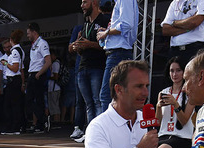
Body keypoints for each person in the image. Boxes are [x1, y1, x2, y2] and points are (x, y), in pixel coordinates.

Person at [71, 0, 110, 133]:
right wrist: (78, 46)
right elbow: (82, 46)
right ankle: (92, 133)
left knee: (97, 101)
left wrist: (89, 44)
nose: (82, 6)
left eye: (84, 2)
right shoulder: (85, 24)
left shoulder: (104, 20)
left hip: (97, 67)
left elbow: (108, 45)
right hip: (82, 67)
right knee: (88, 104)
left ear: (94, 3)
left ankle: (101, 133)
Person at [97, 0, 139, 113]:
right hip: (118, 52)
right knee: (117, 95)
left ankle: (108, 129)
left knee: (107, 95)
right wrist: (107, 32)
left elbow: (126, 25)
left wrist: (106, 33)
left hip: (118, 53)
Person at [161, 0, 204, 68]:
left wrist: (174, 23)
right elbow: (166, 30)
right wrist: (189, 27)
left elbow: (194, 22)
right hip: (175, 50)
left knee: (194, 77)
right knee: (173, 77)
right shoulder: (175, 2)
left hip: (194, 49)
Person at [0, 29, 26, 135]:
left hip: (13, 80)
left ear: (11, 40)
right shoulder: (20, 50)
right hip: (16, 80)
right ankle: (17, 126)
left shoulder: (15, 51)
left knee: (11, 105)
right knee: (15, 104)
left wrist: (5, 63)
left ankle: (14, 127)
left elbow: (15, 68)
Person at [48, 53, 62, 125]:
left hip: (54, 88)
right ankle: (56, 120)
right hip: (54, 88)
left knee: (54, 105)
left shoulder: (55, 64)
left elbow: (55, 76)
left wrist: (48, 77)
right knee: (54, 104)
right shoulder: (55, 64)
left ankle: (57, 121)